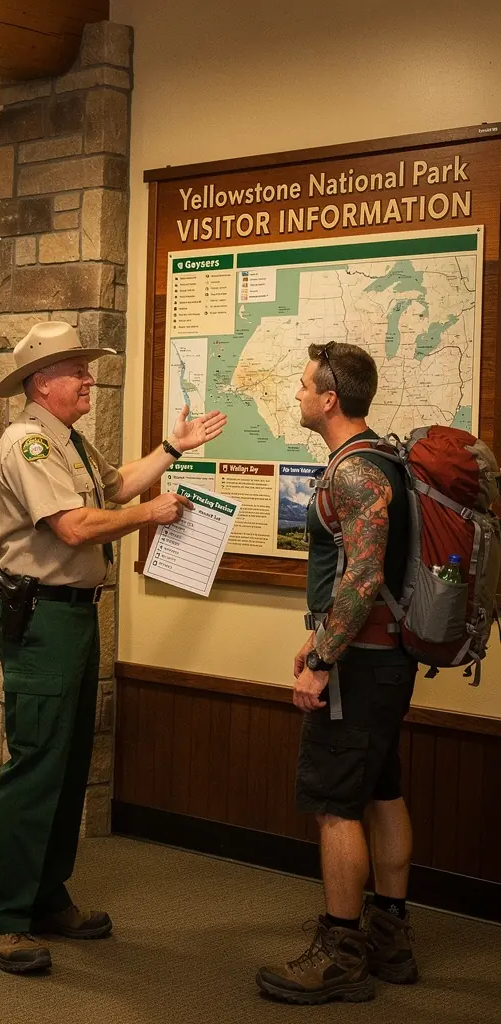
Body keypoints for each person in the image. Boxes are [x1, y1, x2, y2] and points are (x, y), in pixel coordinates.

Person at [0, 321, 226, 974]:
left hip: (75, 617)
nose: (90, 379)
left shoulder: (67, 442)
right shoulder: (27, 444)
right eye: (77, 370)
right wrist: (151, 515)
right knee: (37, 766)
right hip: (42, 619)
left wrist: (173, 446)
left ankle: (46, 897)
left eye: (87, 368)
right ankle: (3, 918)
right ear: (42, 381)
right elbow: (74, 525)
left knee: (67, 762)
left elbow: (112, 487)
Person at [256, 342, 417, 1005]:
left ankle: (342, 949)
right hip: (384, 658)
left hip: (360, 664)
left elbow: (362, 578)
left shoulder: (354, 473)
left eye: (302, 386)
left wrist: (323, 660)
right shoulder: (385, 460)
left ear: (330, 399)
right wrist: (316, 639)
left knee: (334, 805)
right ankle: (391, 935)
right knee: (380, 789)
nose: (295, 395)